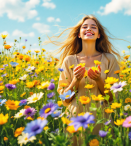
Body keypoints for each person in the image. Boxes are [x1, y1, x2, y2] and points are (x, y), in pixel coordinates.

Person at [48, 15, 122, 145]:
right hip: (75, 120)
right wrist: (75, 80)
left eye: (93, 27)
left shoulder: (109, 59)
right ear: (79, 34)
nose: (89, 29)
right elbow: (65, 99)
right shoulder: (69, 60)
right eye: (85, 26)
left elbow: (112, 99)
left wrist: (99, 79)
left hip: (101, 119)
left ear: (99, 35)